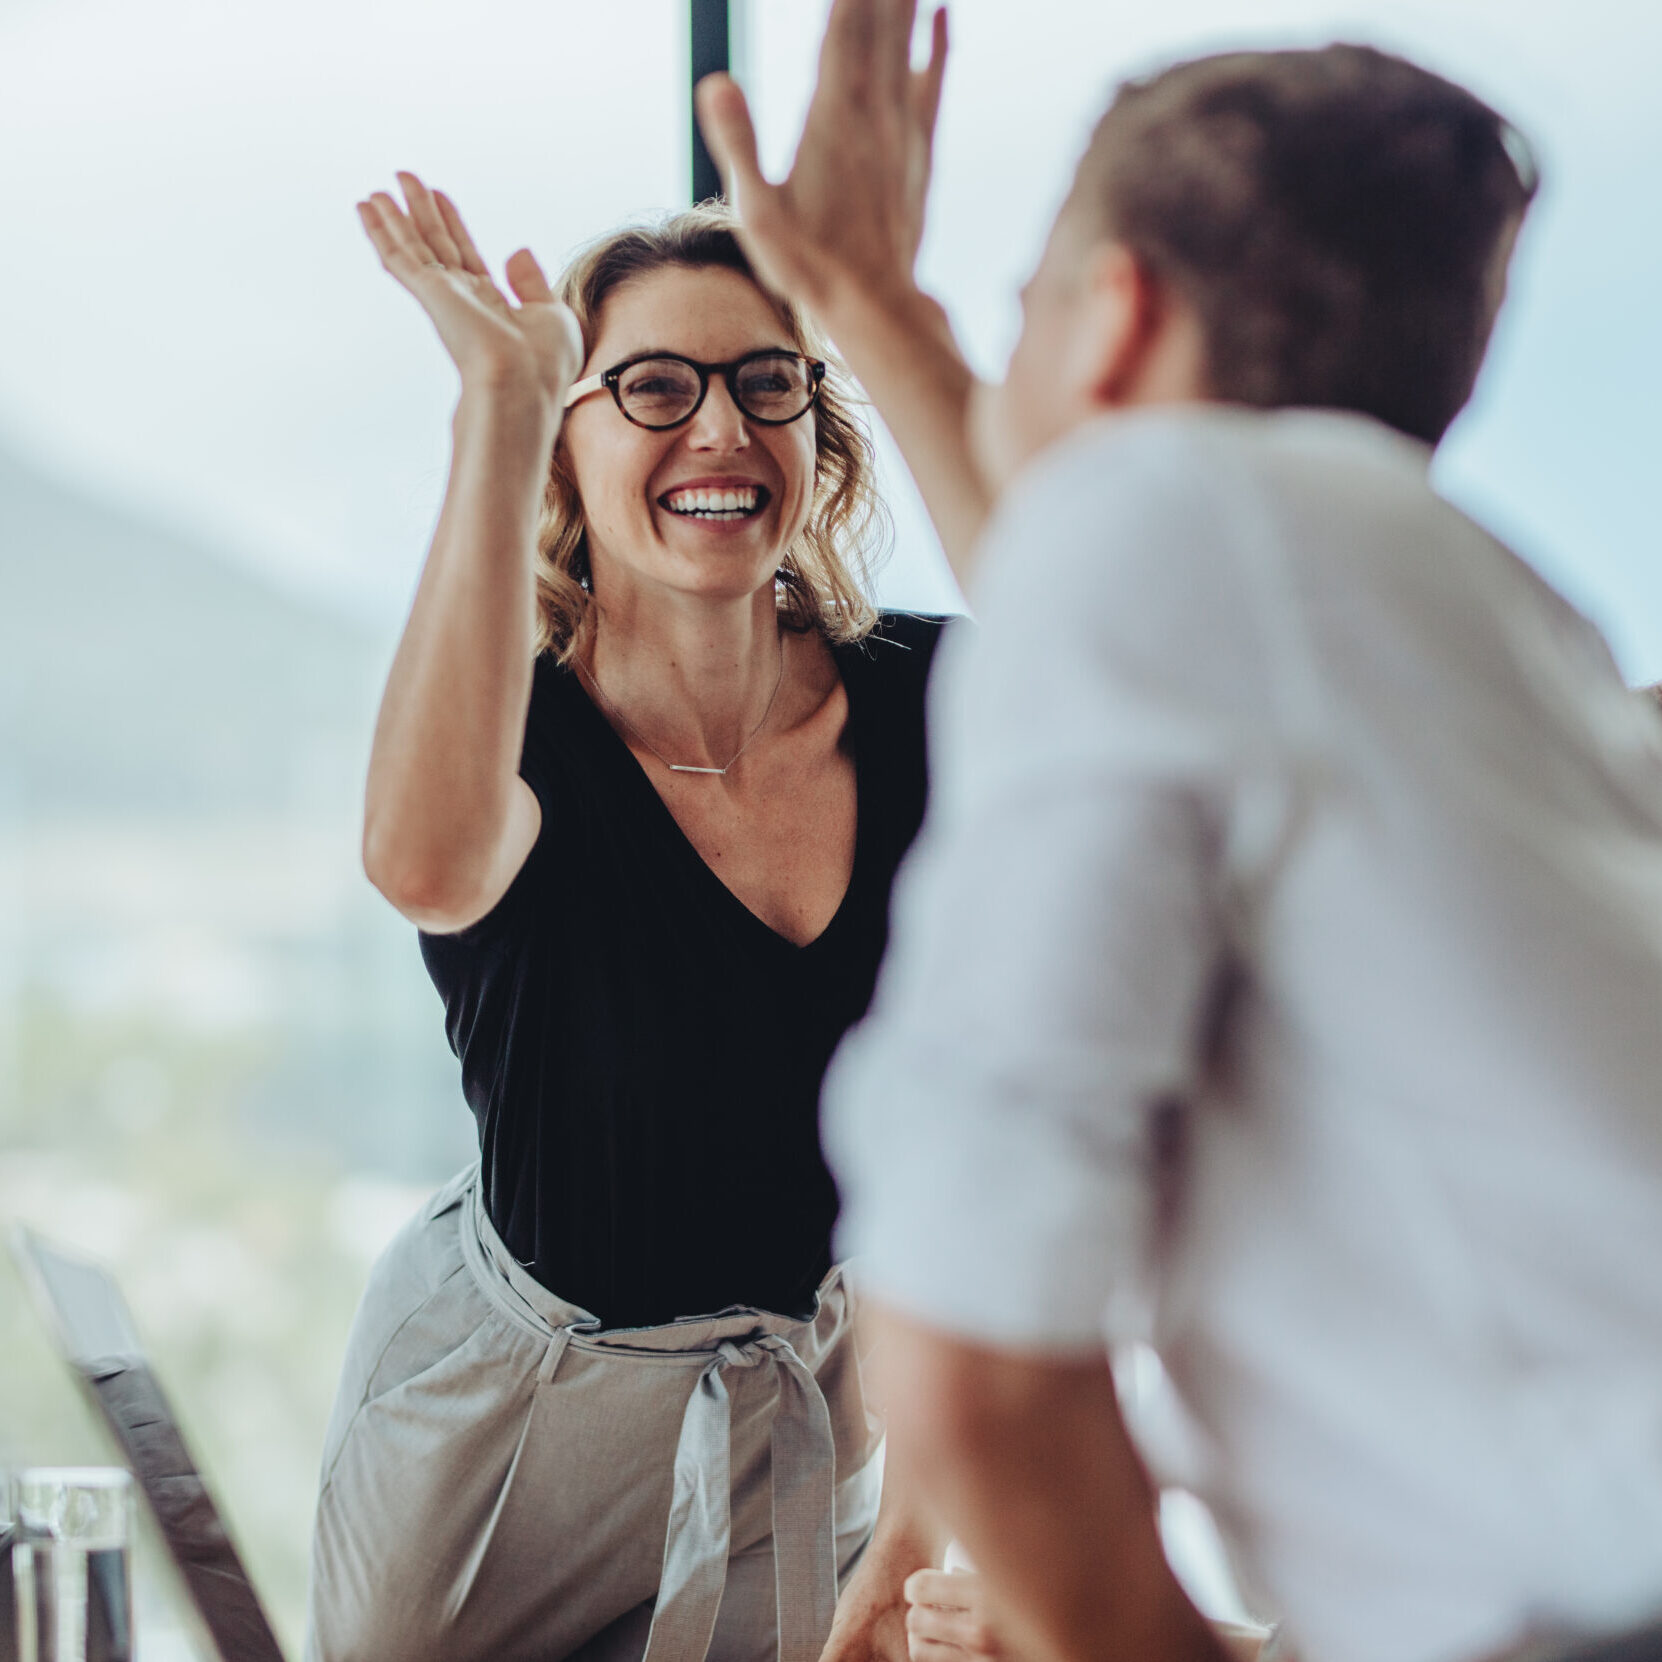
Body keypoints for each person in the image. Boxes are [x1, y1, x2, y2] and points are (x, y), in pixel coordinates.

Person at [696, 8, 1662, 1662]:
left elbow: (972, 1343)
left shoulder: (1172, 525)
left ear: (1118, 314)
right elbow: (1111, 579)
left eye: (1016, 319)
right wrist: (874, 301)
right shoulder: (1468, 614)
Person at [304, 177, 952, 1662]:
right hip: (508, 1439)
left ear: (813, 431)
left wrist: (918, 1532)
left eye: (762, 383)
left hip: (805, 1408)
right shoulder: (512, 733)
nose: (717, 430)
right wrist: (499, 401)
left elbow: (993, 1146)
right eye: (651, 387)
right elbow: (422, 865)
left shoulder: (938, 704)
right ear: (565, 446)